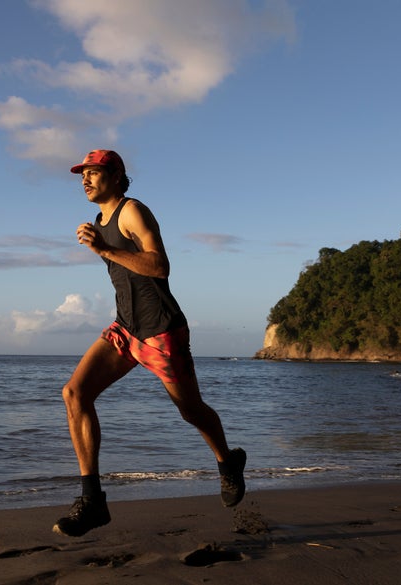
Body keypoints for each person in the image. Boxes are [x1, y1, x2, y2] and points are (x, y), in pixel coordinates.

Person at [53, 149, 246, 537]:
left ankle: (228, 463)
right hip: (126, 328)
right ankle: (92, 502)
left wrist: (105, 250)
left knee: (190, 410)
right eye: (82, 175)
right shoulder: (100, 219)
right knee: (74, 393)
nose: (85, 180)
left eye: (94, 173)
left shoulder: (132, 211)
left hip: (161, 330)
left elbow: (159, 266)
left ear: (118, 176)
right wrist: (102, 245)